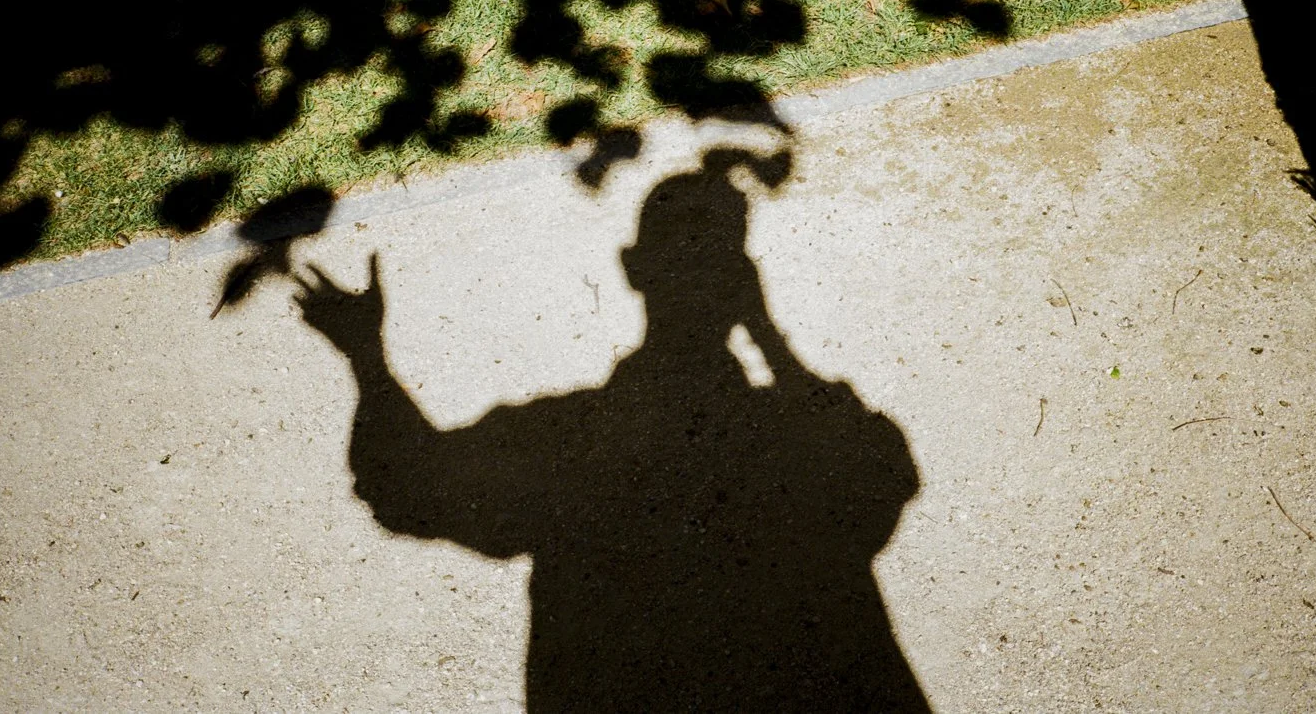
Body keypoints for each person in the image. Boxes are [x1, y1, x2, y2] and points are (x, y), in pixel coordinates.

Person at [295, 148, 929, 711]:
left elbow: (402, 492)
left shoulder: (556, 442)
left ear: (632, 268)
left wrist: (366, 359)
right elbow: (883, 466)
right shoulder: (794, 430)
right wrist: (770, 341)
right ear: (744, 282)